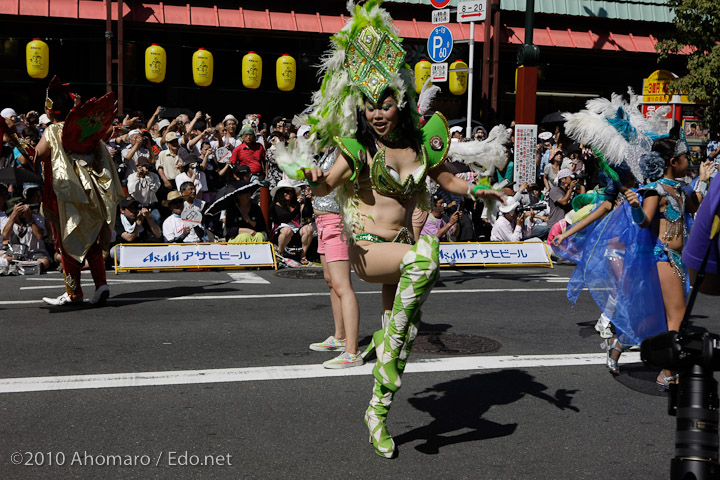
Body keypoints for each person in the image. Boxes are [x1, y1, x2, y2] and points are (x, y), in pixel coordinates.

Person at [296, 0, 504, 458]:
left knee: (403, 336)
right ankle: (383, 348)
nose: (376, 114)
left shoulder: (422, 142)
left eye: (384, 105)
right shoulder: (355, 148)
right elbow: (327, 183)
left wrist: (480, 190)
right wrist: (314, 182)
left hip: (401, 253)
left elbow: (448, 178)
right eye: (369, 107)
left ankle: (378, 412)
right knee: (426, 257)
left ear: (399, 103)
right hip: (370, 253)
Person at [622, 138, 713, 388]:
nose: (689, 163)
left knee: (662, 317)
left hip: (677, 260)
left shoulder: (680, 188)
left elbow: (696, 206)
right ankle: (667, 371)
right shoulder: (655, 190)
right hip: (664, 258)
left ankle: (620, 347)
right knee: (677, 317)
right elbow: (644, 221)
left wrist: (703, 180)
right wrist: (634, 207)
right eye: (686, 158)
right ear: (673, 162)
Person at [33, 76, 125, 305]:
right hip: (91, 191)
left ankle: (73, 292)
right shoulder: (88, 129)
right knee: (90, 238)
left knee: (66, 240)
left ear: (50, 109)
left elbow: (40, 155)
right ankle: (101, 284)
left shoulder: (54, 131)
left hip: (64, 193)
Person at [308, 147, 362, 368]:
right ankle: (340, 337)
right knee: (331, 281)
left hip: (336, 221)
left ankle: (352, 351)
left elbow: (332, 183)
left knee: (342, 285)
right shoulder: (330, 148)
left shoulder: (345, 149)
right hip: (322, 222)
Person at [270, 178, 314, 263]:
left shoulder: (295, 204)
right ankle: (280, 253)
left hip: (296, 231)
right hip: (281, 233)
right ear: (280, 193)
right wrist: (297, 207)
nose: (289, 194)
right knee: (287, 230)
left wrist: (307, 200)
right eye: (286, 191)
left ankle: (303, 254)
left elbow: (307, 213)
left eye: (291, 192)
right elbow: (285, 218)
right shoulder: (276, 205)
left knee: (309, 228)